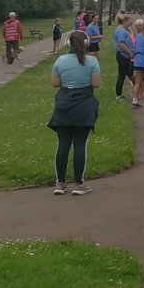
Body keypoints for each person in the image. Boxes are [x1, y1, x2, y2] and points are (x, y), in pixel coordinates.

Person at [48, 30, 101, 196]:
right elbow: (96, 84)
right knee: (80, 144)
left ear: (68, 44)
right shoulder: (92, 61)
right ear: (86, 44)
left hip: (64, 104)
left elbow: (55, 83)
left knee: (63, 144)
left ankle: (60, 183)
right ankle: (79, 184)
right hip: (84, 104)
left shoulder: (60, 60)